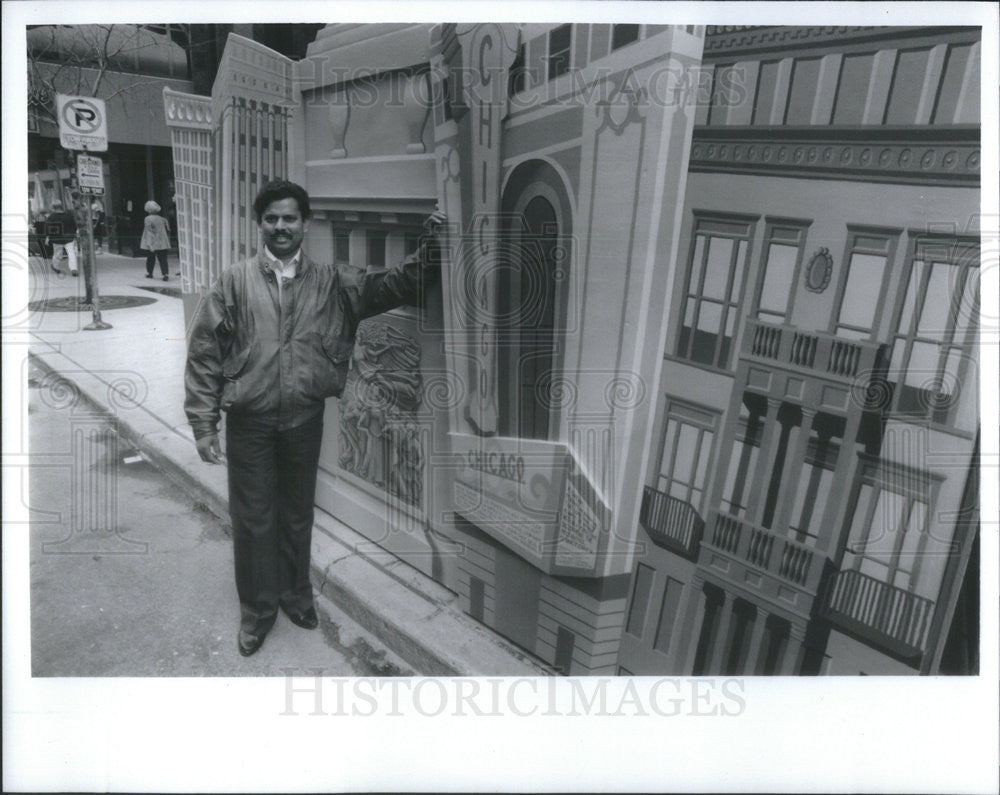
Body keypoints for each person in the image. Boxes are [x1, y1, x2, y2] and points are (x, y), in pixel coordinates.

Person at [184, 179, 444, 657]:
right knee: (254, 520)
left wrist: (434, 244)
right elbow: (204, 354)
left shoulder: (334, 282)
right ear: (259, 224)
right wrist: (204, 423)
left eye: (290, 218)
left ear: (304, 224)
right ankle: (258, 612)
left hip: (303, 420)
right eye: (272, 218)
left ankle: (295, 596)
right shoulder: (233, 282)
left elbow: (396, 285)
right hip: (251, 423)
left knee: (297, 515)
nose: (281, 226)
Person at [45, 199, 78, 276]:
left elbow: (48, 228)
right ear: (61, 206)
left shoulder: (51, 217)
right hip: (69, 238)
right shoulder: (68, 215)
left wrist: (48, 237)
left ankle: (55, 266)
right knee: (71, 253)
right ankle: (74, 269)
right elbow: (74, 226)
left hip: (57, 239)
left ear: (53, 207)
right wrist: (73, 234)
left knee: (57, 254)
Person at [140, 200, 171, 280]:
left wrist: (149, 244)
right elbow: (168, 230)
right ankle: (165, 274)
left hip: (153, 242)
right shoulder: (163, 219)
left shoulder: (148, 219)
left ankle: (150, 273)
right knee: (163, 258)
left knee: (150, 258)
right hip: (163, 241)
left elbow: (149, 232)